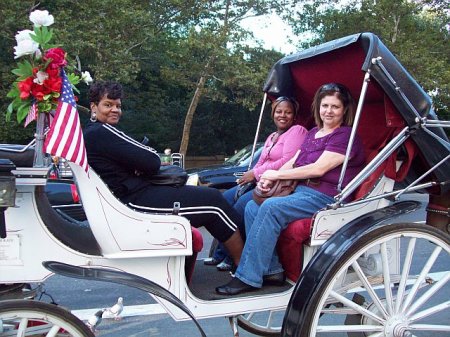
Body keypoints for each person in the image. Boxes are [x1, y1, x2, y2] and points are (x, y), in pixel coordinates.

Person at [216, 83, 365, 295]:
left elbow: (318, 168)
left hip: (326, 196)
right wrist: (269, 180)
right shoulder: (313, 133)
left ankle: (247, 276)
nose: (329, 111)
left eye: (335, 107)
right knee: (251, 207)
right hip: (300, 192)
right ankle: (273, 270)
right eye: (325, 106)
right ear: (318, 107)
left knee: (270, 207)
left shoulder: (344, 135)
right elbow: (293, 162)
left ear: (344, 110)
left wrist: (277, 174)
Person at [83, 81, 244, 266]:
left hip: (129, 197)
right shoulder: (101, 132)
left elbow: (140, 160)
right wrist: (140, 163)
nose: (115, 110)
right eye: (108, 105)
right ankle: (244, 267)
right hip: (133, 202)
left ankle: (234, 260)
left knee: (213, 198)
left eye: (118, 106)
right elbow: (151, 160)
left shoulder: (93, 132)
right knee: (214, 201)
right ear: (94, 107)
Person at [205, 96, 308, 271]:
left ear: (294, 115)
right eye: (279, 111)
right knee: (223, 202)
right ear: (273, 113)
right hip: (260, 181)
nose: (282, 115)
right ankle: (221, 253)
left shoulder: (297, 131)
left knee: (240, 209)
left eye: (288, 112)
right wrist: (252, 173)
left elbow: (288, 160)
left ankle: (234, 257)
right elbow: (261, 161)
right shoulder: (272, 136)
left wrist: (256, 173)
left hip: (277, 184)